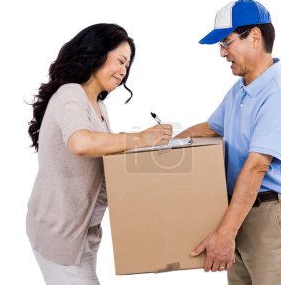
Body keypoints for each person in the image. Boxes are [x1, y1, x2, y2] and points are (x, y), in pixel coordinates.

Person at [26, 23, 172, 285]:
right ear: (97, 53)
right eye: (120, 61)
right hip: (59, 235)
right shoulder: (70, 94)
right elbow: (80, 143)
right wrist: (139, 138)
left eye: (127, 65)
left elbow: (102, 155)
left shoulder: (99, 106)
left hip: (84, 235)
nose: (123, 71)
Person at [177, 0, 281, 285]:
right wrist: (164, 145)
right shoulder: (239, 91)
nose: (223, 53)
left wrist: (225, 233)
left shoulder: (279, 96)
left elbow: (257, 167)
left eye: (227, 43)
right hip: (240, 214)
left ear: (254, 37)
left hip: (273, 218)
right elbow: (211, 128)